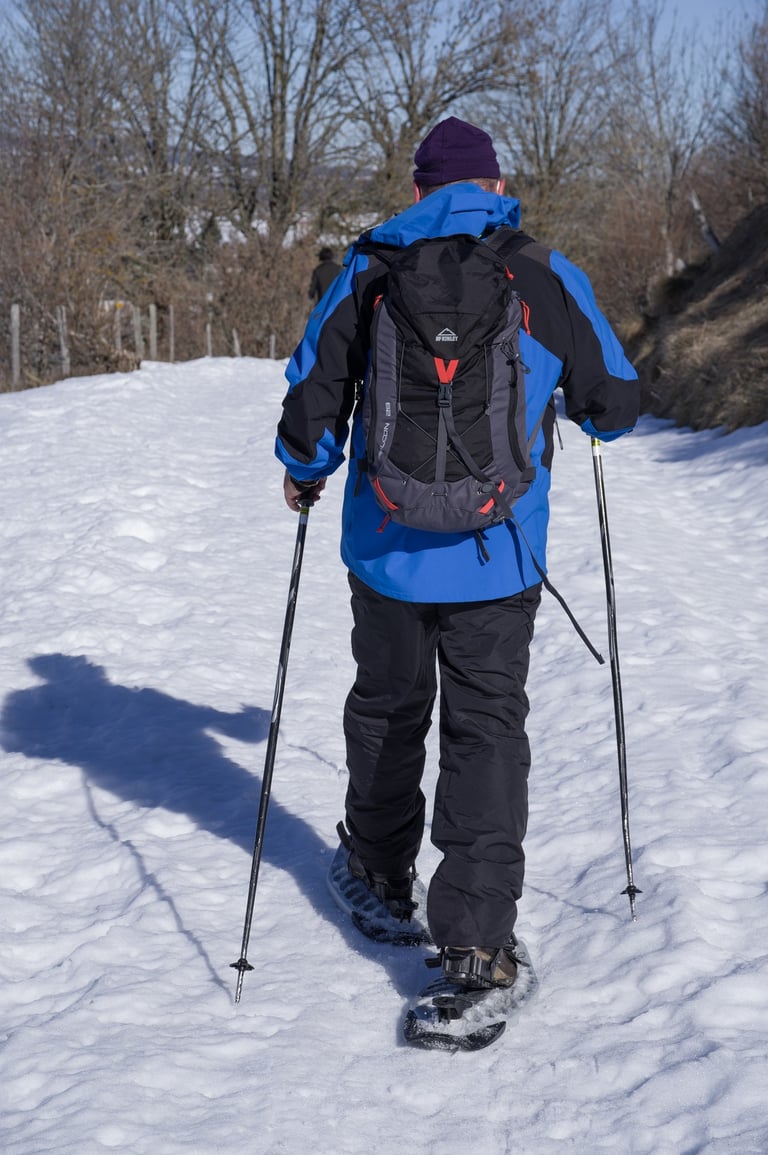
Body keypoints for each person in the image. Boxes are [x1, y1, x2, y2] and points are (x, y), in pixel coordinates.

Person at [276, 117, 639, 992]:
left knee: (389, 712)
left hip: (388, 551)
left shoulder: (368, 268)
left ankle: (375, 873)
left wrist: (304, 472)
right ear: (496, 185)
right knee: (483, 733)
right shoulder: (544, 273)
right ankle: (476, 948)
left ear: (417, 190)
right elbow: (617, 403)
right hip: (497, 558)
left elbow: (311, 402)